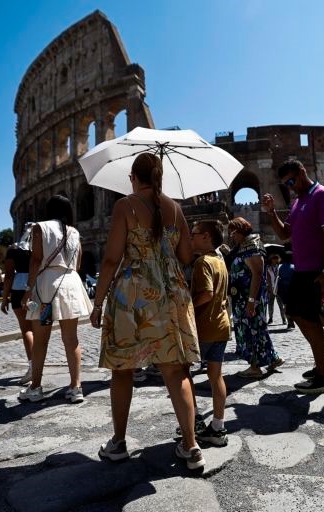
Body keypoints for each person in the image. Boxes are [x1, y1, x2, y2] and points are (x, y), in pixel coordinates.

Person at [91, 153, 205, 470]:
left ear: (133, 177)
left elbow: (112, 259)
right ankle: (191, 446)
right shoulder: (176, 209)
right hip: (171, 293)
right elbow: (185, 255)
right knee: (175, 371)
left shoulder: (125, 206)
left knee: (123, 369)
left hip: (134, 295)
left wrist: (98, 301)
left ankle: (118, 443)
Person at [261, 160, 324, 394]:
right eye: (286, 184)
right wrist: (271, 212)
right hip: (301, 269)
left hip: (317, 271)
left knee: (311, 320)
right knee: (294, 312)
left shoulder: (322, 195)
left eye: (292, 181)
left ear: (303, 172)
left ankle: (323, 376)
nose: (291, 187)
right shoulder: (297, 202)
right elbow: (285, 235)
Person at [19, 195, 92, 404]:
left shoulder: (40, 227)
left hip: (48, 290)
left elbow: (35, 260)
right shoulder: (74, 232)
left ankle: (36, 387)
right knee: (71, 339)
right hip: (70, 286)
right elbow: (77, 264)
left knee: (41, 339)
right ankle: (76, 387)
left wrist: (28, 289)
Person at [189, 220, 231, 447]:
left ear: (206, 237)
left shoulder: (203, 262)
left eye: (193, 234)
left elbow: (206, 293)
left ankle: (193, 419)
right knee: (216, 376)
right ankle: (218, 426)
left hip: (205, 327)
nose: (190, 238)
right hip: (222, 326)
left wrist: (188, 307)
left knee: (183, 373)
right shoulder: (220, 261)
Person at [227, 217, 284, 379]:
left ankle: (254, 367)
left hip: (249, 298)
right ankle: (273, 358)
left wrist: (251, 301)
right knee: (258, 329)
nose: (232, 235)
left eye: (233, 232)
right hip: (243, 297)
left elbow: (257, 274)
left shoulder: (252, 245)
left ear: (240, 230)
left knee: (250, 330)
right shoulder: (244, 245)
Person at [2, 223, 35, 385]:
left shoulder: (13, 250)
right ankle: (39, 366)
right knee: (43, 329)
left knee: (27, 329)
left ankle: (33, 367)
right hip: (42, 291)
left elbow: (8, 275)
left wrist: (4, 298)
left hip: (19, 289)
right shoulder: (43, 248)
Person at [266, 254, 287, 325]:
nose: (276, 260)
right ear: (271, 259)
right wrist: (269, 288)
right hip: (271, 288)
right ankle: (270, 318)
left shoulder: (280, 267)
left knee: (281, 305)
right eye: (274, 258)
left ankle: (284, 319)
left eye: (277, 259)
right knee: (270, 304)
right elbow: (267, 278)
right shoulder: (268, 268)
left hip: (279, 288)